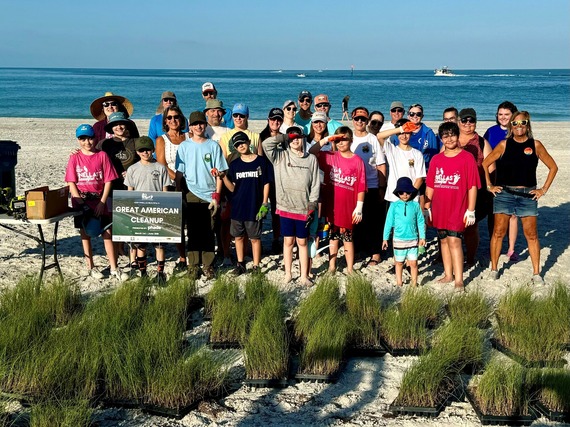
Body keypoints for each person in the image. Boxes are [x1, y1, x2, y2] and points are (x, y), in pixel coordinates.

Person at [482, 111, 558, 284]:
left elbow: (553, 167)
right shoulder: (503, 144)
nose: (519, 126)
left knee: (531, 234)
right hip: (504, 194)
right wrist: (489, 186)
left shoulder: (536, 145)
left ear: (528, 124)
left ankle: (536, 273)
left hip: (527, 196)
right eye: (515, 123)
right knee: (498, 232)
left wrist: (543, 190)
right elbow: (485, 164)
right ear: (510, 126)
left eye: (522, 123)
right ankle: (494, 268)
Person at [65, 124, 127, 281]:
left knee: (108, 233)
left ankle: (114, 267)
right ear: (78, 140)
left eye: (90, 138)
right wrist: (80, 202)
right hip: (82, 200)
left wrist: (102, 202)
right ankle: (90, 266)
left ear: (95, 138)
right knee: (85, 234)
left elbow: (108, 181)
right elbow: (71, 182)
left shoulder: (102, 156)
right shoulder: (74, 157)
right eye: (83, 139)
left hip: (100, 199)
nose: (87, 142)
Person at [425, 122, 480, 290]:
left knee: (455, 241)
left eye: (452, 135)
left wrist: (471, 210)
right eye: (445, 136)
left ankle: (459, 280)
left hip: (458, 207)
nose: (449, 139)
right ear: (441, 139)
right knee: (443, 240)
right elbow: (431, 185)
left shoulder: (466, 158)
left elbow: (472, 185)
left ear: (457, 136)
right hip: (439, 207)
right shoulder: (436, 159)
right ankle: (448, 275)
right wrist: (427, 208)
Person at [262, 127, 320, 286]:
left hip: (303, 209)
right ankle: (288, 274)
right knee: (288, 242)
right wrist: (284, 137)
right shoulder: (280, 156)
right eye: (293, 137)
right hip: (286, 207)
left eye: (299, 137)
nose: (296, 140)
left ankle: (303, 276)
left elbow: (315, 184)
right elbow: (266, 144)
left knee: (302, 242)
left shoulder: (311, 159)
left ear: (303, 139)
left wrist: (312, 204)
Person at [175, 111, 228, 280]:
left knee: (208, 230)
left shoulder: (213, 146)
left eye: (201, 123)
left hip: (209, 193)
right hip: (190, 192)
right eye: (195, 124)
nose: (198, 126)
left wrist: (217, 196)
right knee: (193, 229)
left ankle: (208, 264)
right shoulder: (184, 146)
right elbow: (179, 173)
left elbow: (220, 173)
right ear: (190, 127)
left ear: (205, 125)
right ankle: (193, 265)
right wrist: (179, 192)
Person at [309, 126, 366, 274]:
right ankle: (332, 266)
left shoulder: (357, 161)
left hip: (349, 207)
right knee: (332, 238)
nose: (341, 143)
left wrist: (359, 207)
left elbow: (361, 185)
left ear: (351, 140)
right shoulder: (329, 156)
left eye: (344, 139)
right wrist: (327, 139)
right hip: (332, 206)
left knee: (347, 238)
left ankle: (349, 268)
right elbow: (311, 152)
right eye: (338, 139)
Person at [220, 131, 270, 275]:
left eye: (242, 142)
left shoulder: (261, 161)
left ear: (248, 142)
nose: (241, 146)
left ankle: (256, 265)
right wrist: (224, 178)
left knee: (255, 238)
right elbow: (232, 188)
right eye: (237, 145)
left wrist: (265, 203)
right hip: (237, 206)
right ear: (235, 148)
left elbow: (266, 183)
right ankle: (240, 264)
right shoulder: (235, 165)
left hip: (255, 205)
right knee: (238, 237)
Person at [124, 136, 170, 284]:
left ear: (153, 150)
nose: (145, 152)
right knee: (140, 245)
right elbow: (130, 192)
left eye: (148, 150)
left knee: (159, 244)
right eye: (141, 150)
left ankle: (160, 273)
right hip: (139, 212)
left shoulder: (160, 168)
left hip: (157, 212)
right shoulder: (132, 169)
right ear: (137, 152)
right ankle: (143, 273)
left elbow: (165, 192)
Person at [349, 107, 387, 266]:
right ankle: (357, 250)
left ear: (367, 121)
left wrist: (381, 187)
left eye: (363, 119)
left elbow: (381, 165)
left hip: (371, 185)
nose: (359, 122)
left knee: (374, 220)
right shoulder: (348, 138)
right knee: (356, 221)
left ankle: (375, 253)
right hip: (352, 187)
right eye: (357, 119)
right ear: (352, 119)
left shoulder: (372, 139)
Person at [457, 108, 494, 266]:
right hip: (454, 189)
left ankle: (470, 258)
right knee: (452, 225)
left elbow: (491, 167)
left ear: (476, 122)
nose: (467, 123)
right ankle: (447, 255)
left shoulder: (481, 142)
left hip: (475, 190)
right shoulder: (452, 139)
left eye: (471, 120)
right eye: (464, 120)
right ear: (459, 122)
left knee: (471, 226)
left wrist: (487, 186)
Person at [484, 101, 520, 262]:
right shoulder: (491, 132)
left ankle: (511, 248)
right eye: (500, 114)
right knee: (495, 213)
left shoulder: (519, 131)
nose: (503, 117)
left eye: (506, 114)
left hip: (514, 178)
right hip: (495, 178)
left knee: (512, 214)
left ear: (513, 115)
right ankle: (494, 244)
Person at [155, 105, 189, 273]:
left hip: (192, 184)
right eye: (169, 118)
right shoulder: (162, 139)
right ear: (165, 121)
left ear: (181, 119)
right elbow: (161, 163)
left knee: (194, 222)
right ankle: (182, 257)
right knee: (177, 224)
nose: (173, 120)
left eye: (176, 117)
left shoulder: (189, 136)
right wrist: (178, 178)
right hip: (172, 185)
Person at [382, 177, 426, 287]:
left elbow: (421, 221)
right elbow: (388, 222)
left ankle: (414, 283)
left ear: (412, 191)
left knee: (414, 263)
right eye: (401, 192)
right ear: (397, 193)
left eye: (407, 192)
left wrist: (422, 237)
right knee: (399, 262)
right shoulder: (394, 205)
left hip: (413, 239)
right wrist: (385, 238)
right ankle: (399, 282)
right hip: (398, 239)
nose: (405, 194)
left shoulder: (416, 205)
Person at [376, 119, 426, 204]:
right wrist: (400, 129)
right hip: (394, 198)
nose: (404, 136)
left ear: (411, 133)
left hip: (412, 198)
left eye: (407, 133)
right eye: (400, 134)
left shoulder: (417, 154)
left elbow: (420, 178)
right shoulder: (391, 150)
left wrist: (410, 194)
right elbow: (379, 136)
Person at [259, 108, 285, 254]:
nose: (275, 122)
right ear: (268, 120)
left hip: (278, 180)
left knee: (277, 212)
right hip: (263, 179)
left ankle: (276, 240)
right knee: (261, 211)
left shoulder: (284, 138)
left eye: (278, 119)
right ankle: (258, 241)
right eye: (273, 119)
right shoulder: (260, 137)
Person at [96, 111, 139, 192]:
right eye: (115, 125)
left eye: (121, 124)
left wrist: (133, 173)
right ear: (111, 128)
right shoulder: (104, 143)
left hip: (133, 185)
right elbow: (92, 158)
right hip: (110, 185)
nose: (119, 127)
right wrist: (77, 152)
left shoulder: (136, 142)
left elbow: (146, 161)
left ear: (126, 125)